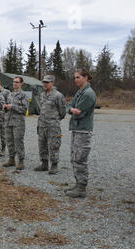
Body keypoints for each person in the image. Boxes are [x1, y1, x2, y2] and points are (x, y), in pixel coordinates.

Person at [65, 69, 97, 199]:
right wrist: (71, 110)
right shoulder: (80, 92)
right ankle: (78, 184)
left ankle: (82, 188)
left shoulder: (88, 94)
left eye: (78, 77)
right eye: (75, 78)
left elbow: (80, 113)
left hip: (83, 130)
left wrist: (71, 110)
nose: (76, 80)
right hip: (77, 129)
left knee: (80, 159)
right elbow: (70, 106)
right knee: (74, 157)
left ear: (85, 77)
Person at [34, 75, 67, 175]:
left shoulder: (58, 95)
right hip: (42, 124)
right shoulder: (42, 94)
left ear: (52, 83)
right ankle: (44, 163)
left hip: (53, 125)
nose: (45, 84)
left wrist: (54, 119)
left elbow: (63, 112)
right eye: (44, 82)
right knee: (42, 145)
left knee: (53, 145)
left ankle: (54, 165)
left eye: (47, 82)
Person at [3, 76, 29, 170]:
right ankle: (11, 159)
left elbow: (24, 109)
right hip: (8, 121)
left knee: (18, 141)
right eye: (14, 82)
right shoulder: (10, 94)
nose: (15, 84)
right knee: (9, 141)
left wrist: (12, 106)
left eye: (17, 82)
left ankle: (21, 161)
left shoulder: (23, 95)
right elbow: (7, 107)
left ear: (21, 84)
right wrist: (5, 107)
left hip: (18, 122)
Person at [0, 75, 11, 155]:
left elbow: (9, 103)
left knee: (2, 133)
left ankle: (3, 149)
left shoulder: (6, 92)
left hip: (2, 116)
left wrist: (6, 107)